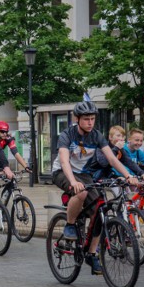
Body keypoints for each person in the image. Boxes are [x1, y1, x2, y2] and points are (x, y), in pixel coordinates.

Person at [51, 100, 137, 275]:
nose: (90, 122)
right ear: (77, 119)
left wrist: (128, 176)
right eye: (86, 119)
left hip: (84, 174)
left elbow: (112, 159)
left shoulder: (97, 135)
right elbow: (64, 160)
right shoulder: (67, 135)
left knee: (99, 209)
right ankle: (70, 224)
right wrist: (73, 182)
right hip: (62, 171)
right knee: (80, 192)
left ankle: (91, 253)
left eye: (92, 119)